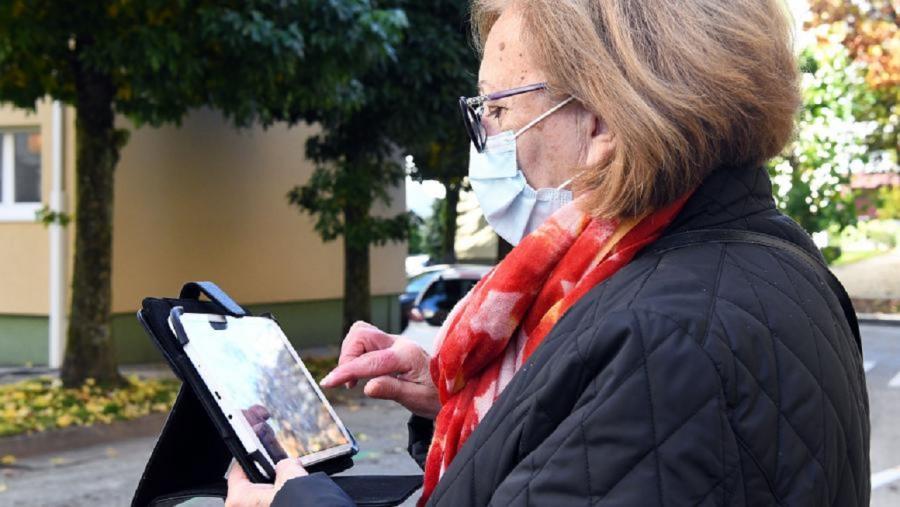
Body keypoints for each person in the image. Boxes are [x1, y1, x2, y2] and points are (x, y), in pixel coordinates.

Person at [226, 0, 871, 505]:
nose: (488, 138)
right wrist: (467, 395)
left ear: (605, 123)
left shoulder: (659, 337)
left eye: (498, 109)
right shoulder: (767, 258)